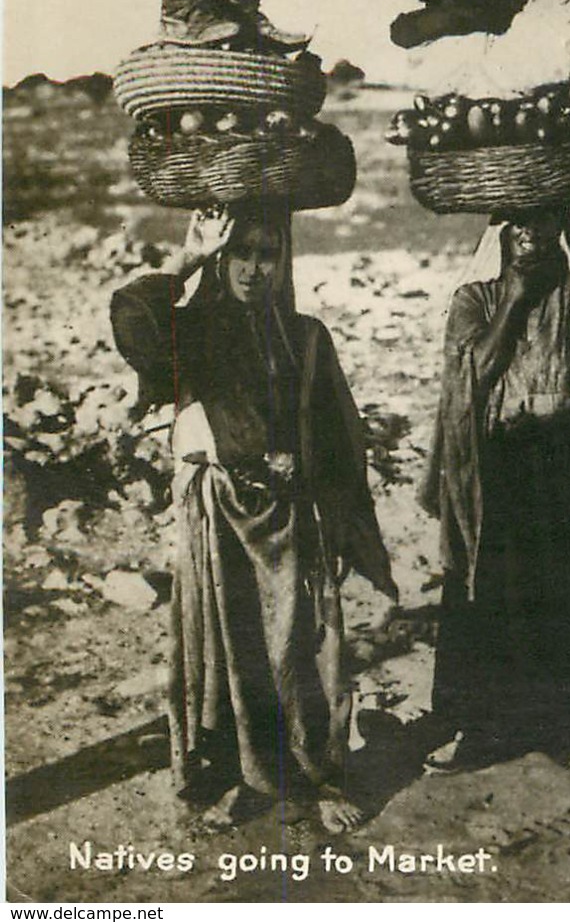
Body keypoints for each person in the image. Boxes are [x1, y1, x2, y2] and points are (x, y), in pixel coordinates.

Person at [109, 203, 397, 833]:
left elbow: (340, 435)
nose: (254, 268)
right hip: (216, 511)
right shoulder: (197, 331)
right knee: (227, 650)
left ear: (284, 260)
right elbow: (132, 319)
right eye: (242, 252)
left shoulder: (305, 336)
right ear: (222, 258)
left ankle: (317, 778)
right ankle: (244, 779)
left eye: (269, 253)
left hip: (289, 517)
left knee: (299, 648)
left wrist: (337, 515)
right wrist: (187, 259)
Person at [420, 133, 570, 771]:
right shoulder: (474, 299)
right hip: (499, 457)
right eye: (519, 221)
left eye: (545, 218)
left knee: (568, 586)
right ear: (500, 232)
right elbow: (468, 375)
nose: (531, 231)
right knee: (490, 591)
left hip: (562, 451)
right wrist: (518, 299)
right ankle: (484, 728)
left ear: (560, 226)